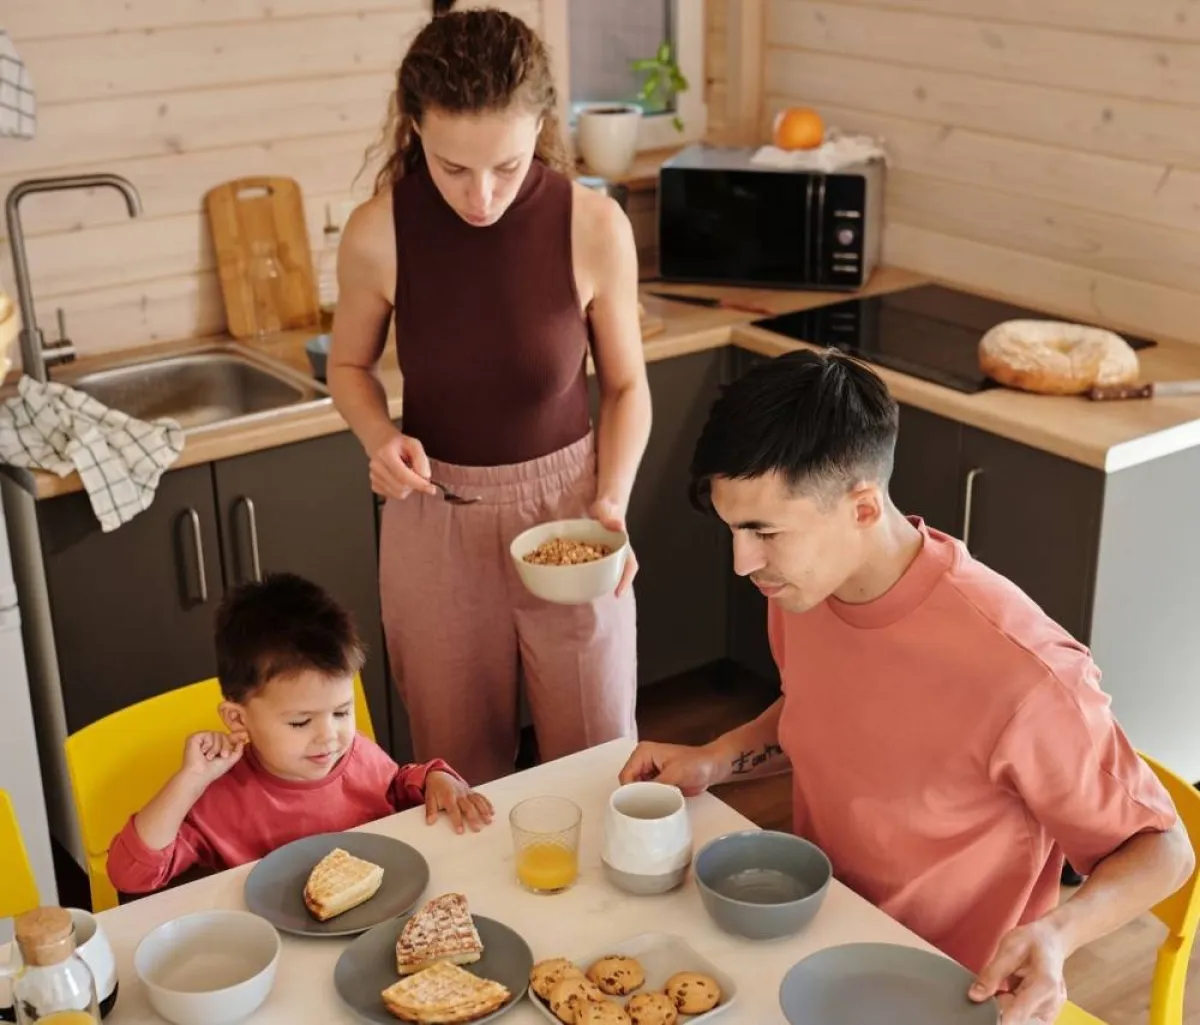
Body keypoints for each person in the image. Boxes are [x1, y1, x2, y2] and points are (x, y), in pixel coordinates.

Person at [619, 349, 1193, 1025]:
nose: (744, 563)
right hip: (817, 936)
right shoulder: (804, 585)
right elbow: (824, 708)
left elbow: (1164, 850)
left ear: (862, 507)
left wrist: (1059, 934)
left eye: (764, 532)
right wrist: (718, 755)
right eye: (734, 530)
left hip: (949, 993)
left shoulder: (1024, 671)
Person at [327, 7, 650, 785]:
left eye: (505, 167)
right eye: (451, 168)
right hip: (433, 519)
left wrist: (612, 500)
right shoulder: (379, 232)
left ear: (539, 126)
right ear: (415, 130)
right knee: (458, 779)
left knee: (600, 763)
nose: (480, 197)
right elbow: (348, 369)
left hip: (572, 517)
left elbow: (628, 385)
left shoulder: (594, 225)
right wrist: (381, 441)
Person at [107, 573, 492, 895]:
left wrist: (435, 777)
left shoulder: (357, 755)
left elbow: (397, 785)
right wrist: (188, 782)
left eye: (342, 712)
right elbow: (129, 875)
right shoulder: (218, 801)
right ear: (238, 720)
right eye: (300, 722)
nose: (330, 738)